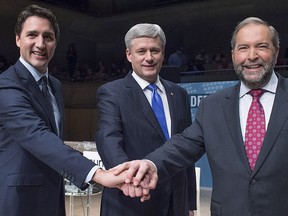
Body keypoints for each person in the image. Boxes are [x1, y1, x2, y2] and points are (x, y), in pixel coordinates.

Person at [116, 17, 288, 216]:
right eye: (243, 48)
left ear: (275, 52)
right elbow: (184, 145)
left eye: (261, 46)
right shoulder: (213, 105)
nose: (251, 56)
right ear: (233, 55)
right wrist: (150, 164)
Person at [0, 5, 147, 216]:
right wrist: (98, 174)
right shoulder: (6, 84)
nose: (40, 44)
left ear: (55, 42)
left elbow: (54, 141)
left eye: (48, 37)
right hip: (18, 201)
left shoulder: (55, 86)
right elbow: (37, 136)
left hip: (53, 197)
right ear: (18, 39)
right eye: (32, 35)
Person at [95, 23, 197, 216]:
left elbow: (186, 148)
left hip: (176, 203)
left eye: (155, 50)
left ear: (163, 53)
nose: (149, 58)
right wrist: (129, 180)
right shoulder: (112, 93)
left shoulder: (179, 93)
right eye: (141, 51)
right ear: (129, 55)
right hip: (132, 200)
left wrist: (190, 202)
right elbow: (108, 139)